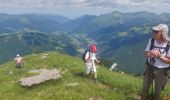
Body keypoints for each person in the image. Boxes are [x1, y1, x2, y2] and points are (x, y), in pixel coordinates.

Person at [141, 24, 170, 100]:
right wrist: (150, 54)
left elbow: (169, 61)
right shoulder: (152, 40)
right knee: (145, 88)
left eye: (156, 31)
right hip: (150, 67)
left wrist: (159, 56)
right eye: (153, 31)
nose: (154, 33)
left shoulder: (169, 44)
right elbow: (145, 53)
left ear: (163, 33)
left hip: (162, 71)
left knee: (158, 91)